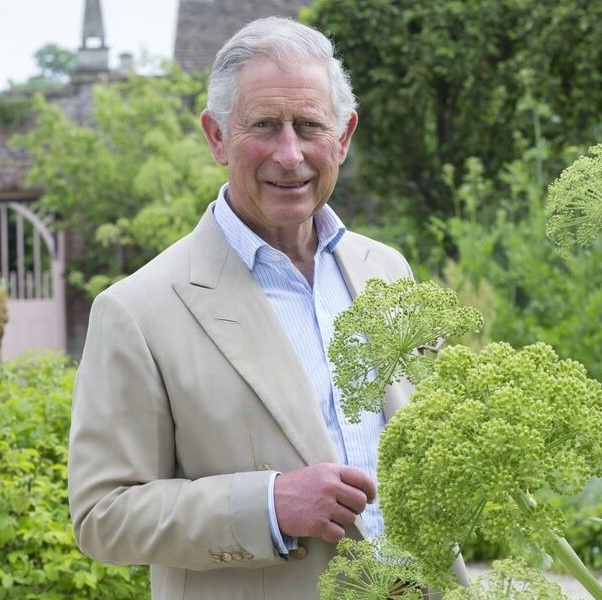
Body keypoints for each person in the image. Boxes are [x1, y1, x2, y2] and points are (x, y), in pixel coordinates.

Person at [68, 16, 467, 600]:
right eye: (264, 126)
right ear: (216, 136)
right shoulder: (136, 311)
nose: (289, 154)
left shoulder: (387, 270)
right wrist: (268, 507)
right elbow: (104, 514)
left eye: (309, 125)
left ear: (344, 136)